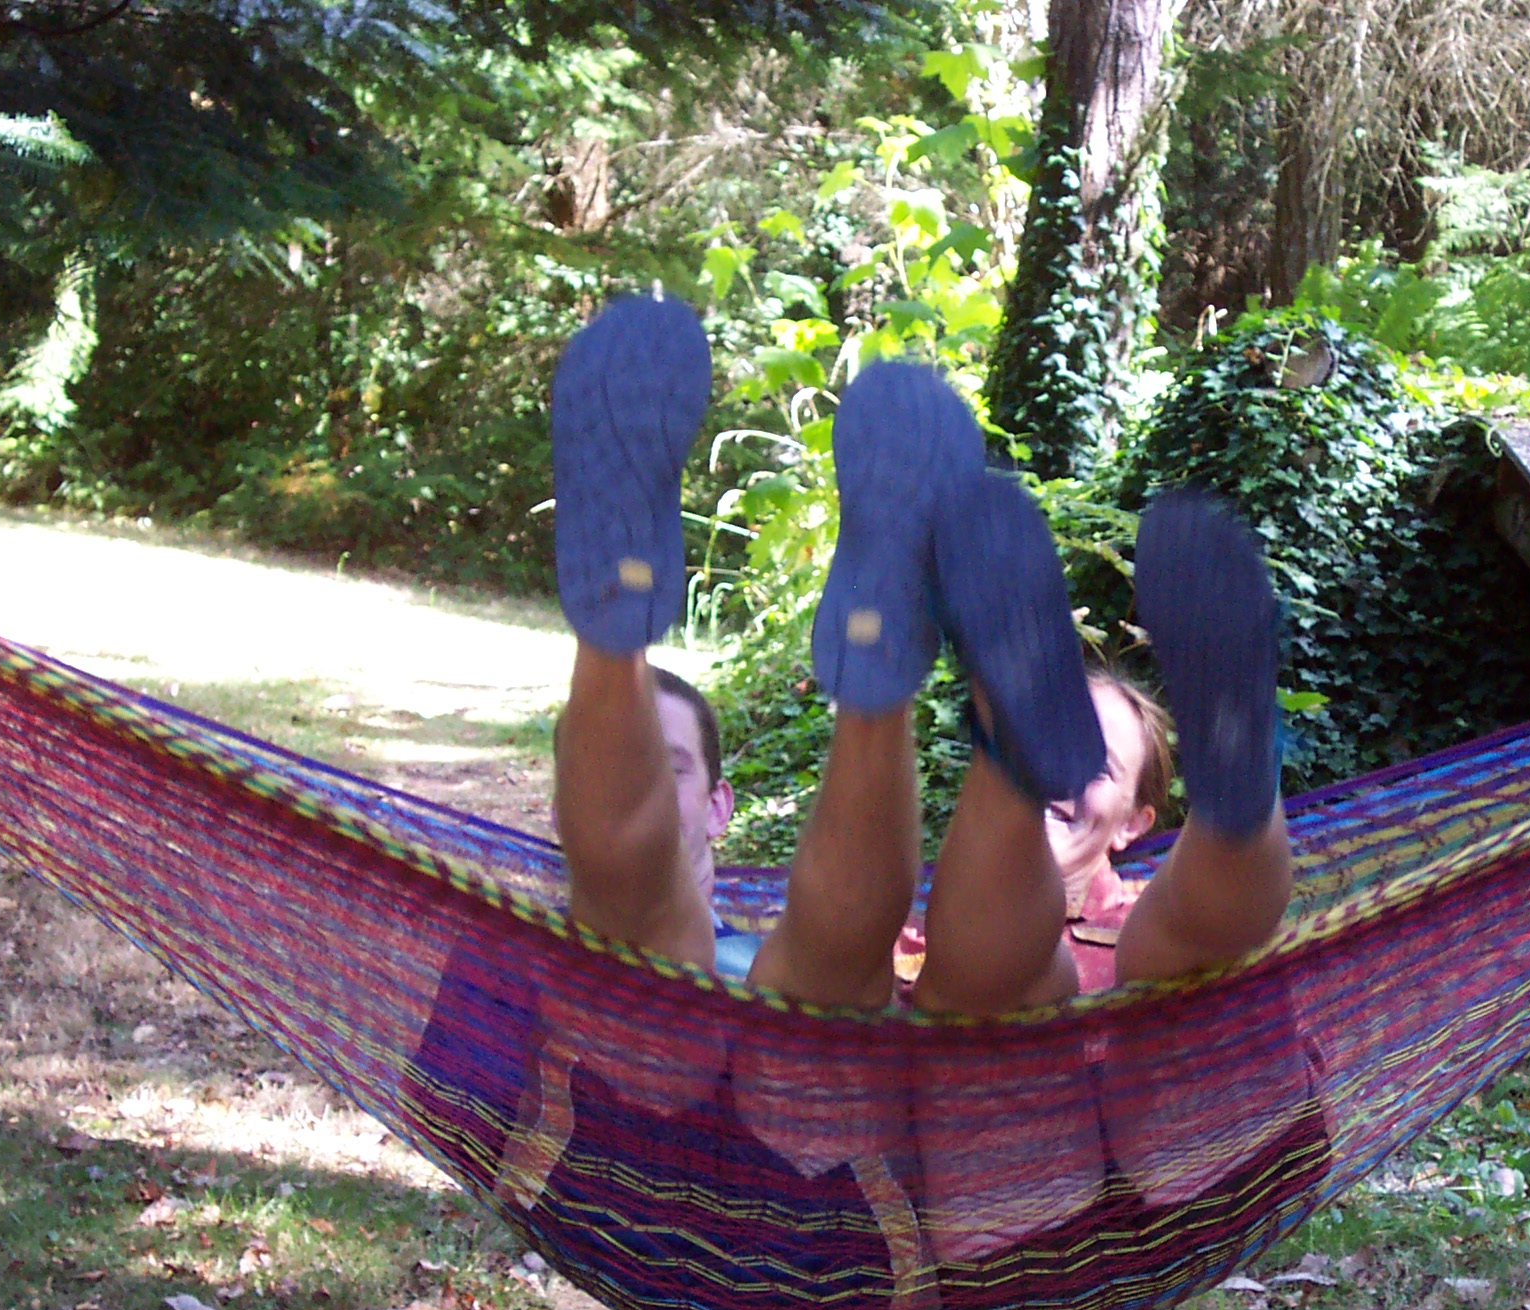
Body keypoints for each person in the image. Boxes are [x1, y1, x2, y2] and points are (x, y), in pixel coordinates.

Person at [550, 290, 1295, 1015]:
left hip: (1054, 1051)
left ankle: (1221, 769)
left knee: (1107, 960)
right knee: (838, 965)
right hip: (853, 1056)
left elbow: (1197, 924)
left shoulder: (1131, 924)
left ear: (1137, 821)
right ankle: (916, 694)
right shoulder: (916, 932)